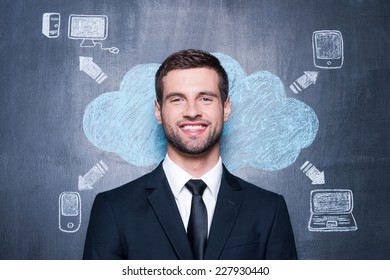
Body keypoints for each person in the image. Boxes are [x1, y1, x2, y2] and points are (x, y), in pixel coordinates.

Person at [83, 49, 298, 260]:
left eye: (205, 98)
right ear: (158, 111)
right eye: (177, 99)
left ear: (226, 108)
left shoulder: (269, 210)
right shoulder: (113, 209)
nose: (192, 111)